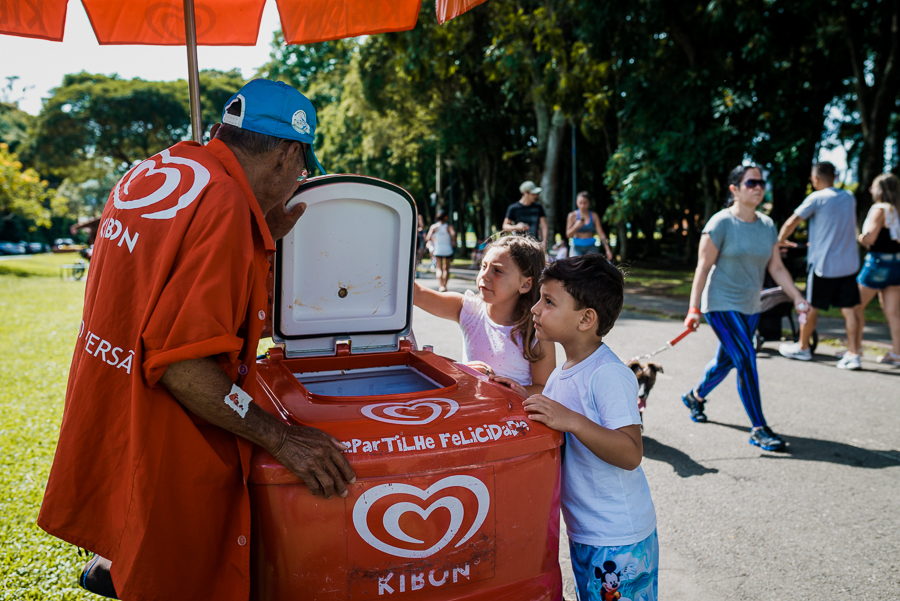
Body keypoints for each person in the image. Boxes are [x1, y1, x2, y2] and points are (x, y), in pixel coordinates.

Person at [37, 80, 356, 601]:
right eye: (300, 171)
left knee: (133, 539)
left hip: (114, 403)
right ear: (286, 154)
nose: (295, 182)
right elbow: (183, 367)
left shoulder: (162, 166)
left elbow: (158, 282)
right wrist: (281, 438)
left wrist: (259, 235)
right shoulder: (225, 204)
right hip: (168, 434)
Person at [495, 255, 657, 601]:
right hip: (587, 530)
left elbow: (631, 452)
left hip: (617, 537)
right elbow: (553, 416)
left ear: (586, 319)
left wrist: (572, 420)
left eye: (548, 301)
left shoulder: (608, 374)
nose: (535, 309)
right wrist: (519, 394)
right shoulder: (564, 372)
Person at [682, 165, 808, 452]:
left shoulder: (767, 225)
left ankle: (695, 396)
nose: (758, 187)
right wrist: (693, 309)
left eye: (761, 182)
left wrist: (797, 297)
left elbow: (777, 267)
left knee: (726, 361)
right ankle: (759, 428)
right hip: (720, 303)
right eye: (751, 183)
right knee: (746, 358)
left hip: (751, 306)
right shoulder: (720, 223)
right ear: (735, 189)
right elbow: (703, 268)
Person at [413, 235, 556, 393]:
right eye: (483, 266)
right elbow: (416, 293)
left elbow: (544, 388)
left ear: (525, 284)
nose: (484, 276)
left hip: (513, 409)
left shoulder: (536, 331)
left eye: (497, 271)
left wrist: (502, 387)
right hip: (473, 406)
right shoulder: (469, 309)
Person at [777, 162, 862, 369]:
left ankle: (803, 347)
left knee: (810, 307)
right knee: (849, 310)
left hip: (824, 265)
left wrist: (780, 241)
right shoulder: (849, 197)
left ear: (815, 179)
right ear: (834, 176)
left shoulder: (816, 198)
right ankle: (853, 354)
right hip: (848, 265)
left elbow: (792, 221)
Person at [855, 173, 900, 366]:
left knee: (855, 306)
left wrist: (860, 237)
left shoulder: (879, 209)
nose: (870, 190)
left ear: (879, 190)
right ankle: (897, 353)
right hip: (897, 263)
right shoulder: (897, 210)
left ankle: (854, 349)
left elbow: (870, 237)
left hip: (879, 263)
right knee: (893, 312)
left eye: (873, 187)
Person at [565, 191, 614, 260]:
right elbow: (568, 235)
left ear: (589, 202)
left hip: (591, 247)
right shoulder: (572, 215)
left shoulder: (594, 216)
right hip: (576, 247)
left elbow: (601, 234)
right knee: (575, 265)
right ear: (576, 202)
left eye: (585, 203)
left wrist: (607, 249)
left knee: (595, 264)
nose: (582, 205)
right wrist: (575, 226)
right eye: (580, 203)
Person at [503, 180, 549, 249]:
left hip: (534, 244)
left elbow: (544, 226)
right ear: (525, 193)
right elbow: (505, 226)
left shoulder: (538, 207)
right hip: (519, 245)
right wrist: (516, 227)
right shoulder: (513, 208)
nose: (536, 196)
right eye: (533, 194)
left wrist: (544, 241)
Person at [426, 209, 455, 292]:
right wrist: (453, 241)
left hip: (438, 250)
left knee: (439, 269)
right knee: (446, 269)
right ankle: (445, 286)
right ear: (446, 217)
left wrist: (434, 239)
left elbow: (428, 237)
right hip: (448, 250)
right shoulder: (449, 227)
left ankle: (440, 286)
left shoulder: (434, 227)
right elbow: (453, 234)